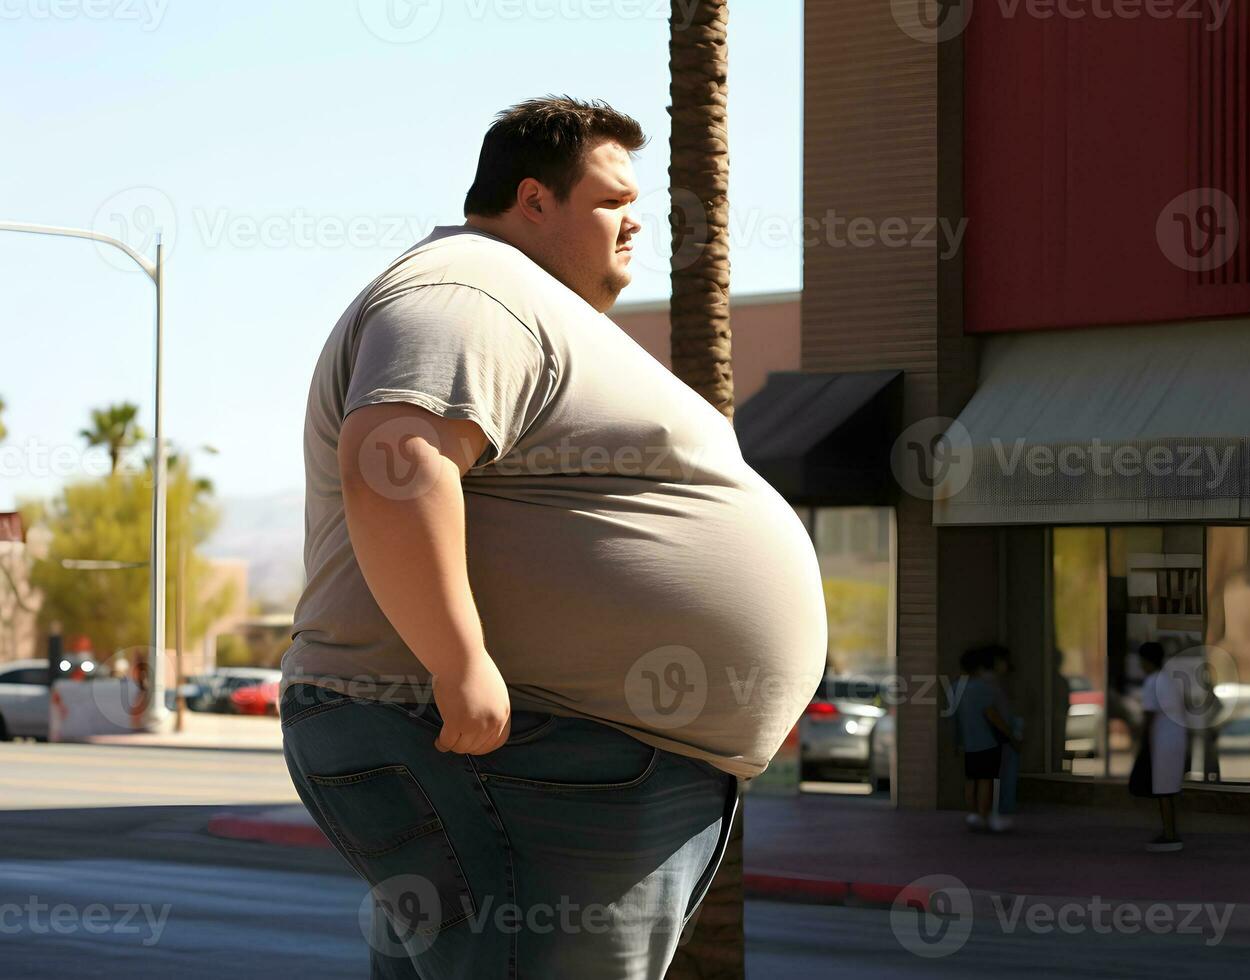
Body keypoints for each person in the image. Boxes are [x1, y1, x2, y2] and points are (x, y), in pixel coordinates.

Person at [278, 97, 829, 979]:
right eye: (612, 201)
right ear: (533, 200)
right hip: (520, 741)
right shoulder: (471, 285)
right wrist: (461, 668)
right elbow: (397, 454)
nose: (636, 221)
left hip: (547, 746)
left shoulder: (513, 300)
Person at [954, 644, 1021, 832]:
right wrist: (1009, 733)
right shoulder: (983, 688)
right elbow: (992, 714)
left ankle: (974, 813)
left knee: (971, 778)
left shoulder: (958, 687)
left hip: (969, 740)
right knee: (986, 779)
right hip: (987, 740)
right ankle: (984, 815)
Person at [1133, 642, 1186, 852]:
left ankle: (1170, 834)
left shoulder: (1152, 682)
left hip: (1162, 742)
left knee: (1163, 789)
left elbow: (1149, 715)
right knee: (1168, 788)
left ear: (1146, 661)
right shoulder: (1169, 680)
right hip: (1176, 739)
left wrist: (1140, 740)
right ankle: (1170, 830)